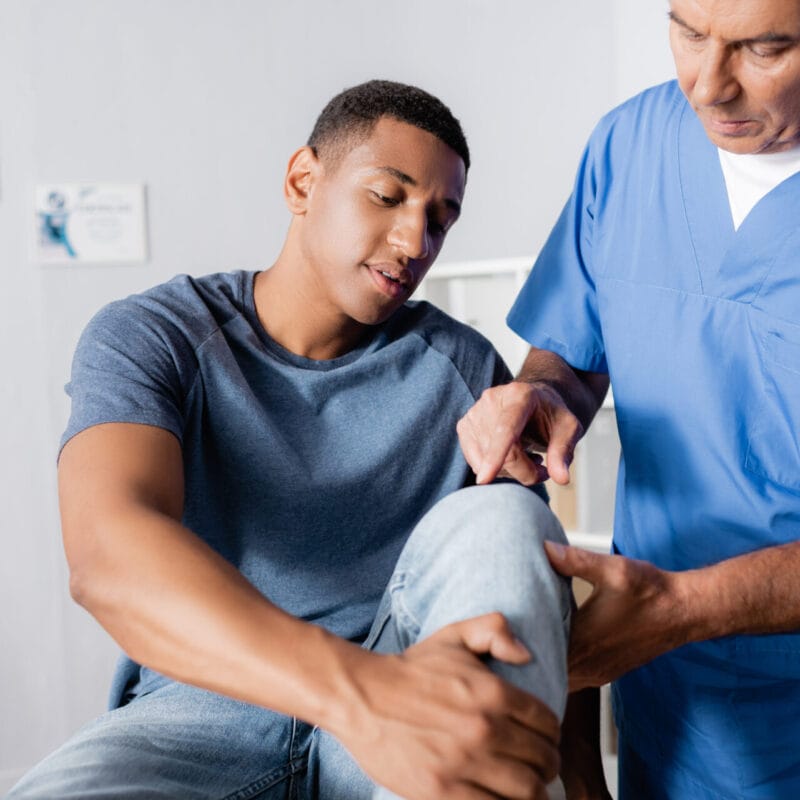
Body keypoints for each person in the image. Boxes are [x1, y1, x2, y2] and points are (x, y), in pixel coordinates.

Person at [8, 80, 598, 800]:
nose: (416, 242)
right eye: (388, 196)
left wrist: (581, 779)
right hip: (207, 709)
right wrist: (360, 693)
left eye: (440, 219)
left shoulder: (465, 368)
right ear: (303, 182)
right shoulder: (154, 336)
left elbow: (526, 586)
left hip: (411, 697)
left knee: (512, 518)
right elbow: (108, 555)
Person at [458, 1, 800, 797]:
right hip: (668, 699)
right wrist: (542, 393)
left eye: (763, 47)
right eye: (687, 31)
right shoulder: (630, 146)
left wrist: (686, 606)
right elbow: (575, 351)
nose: (706, 85)